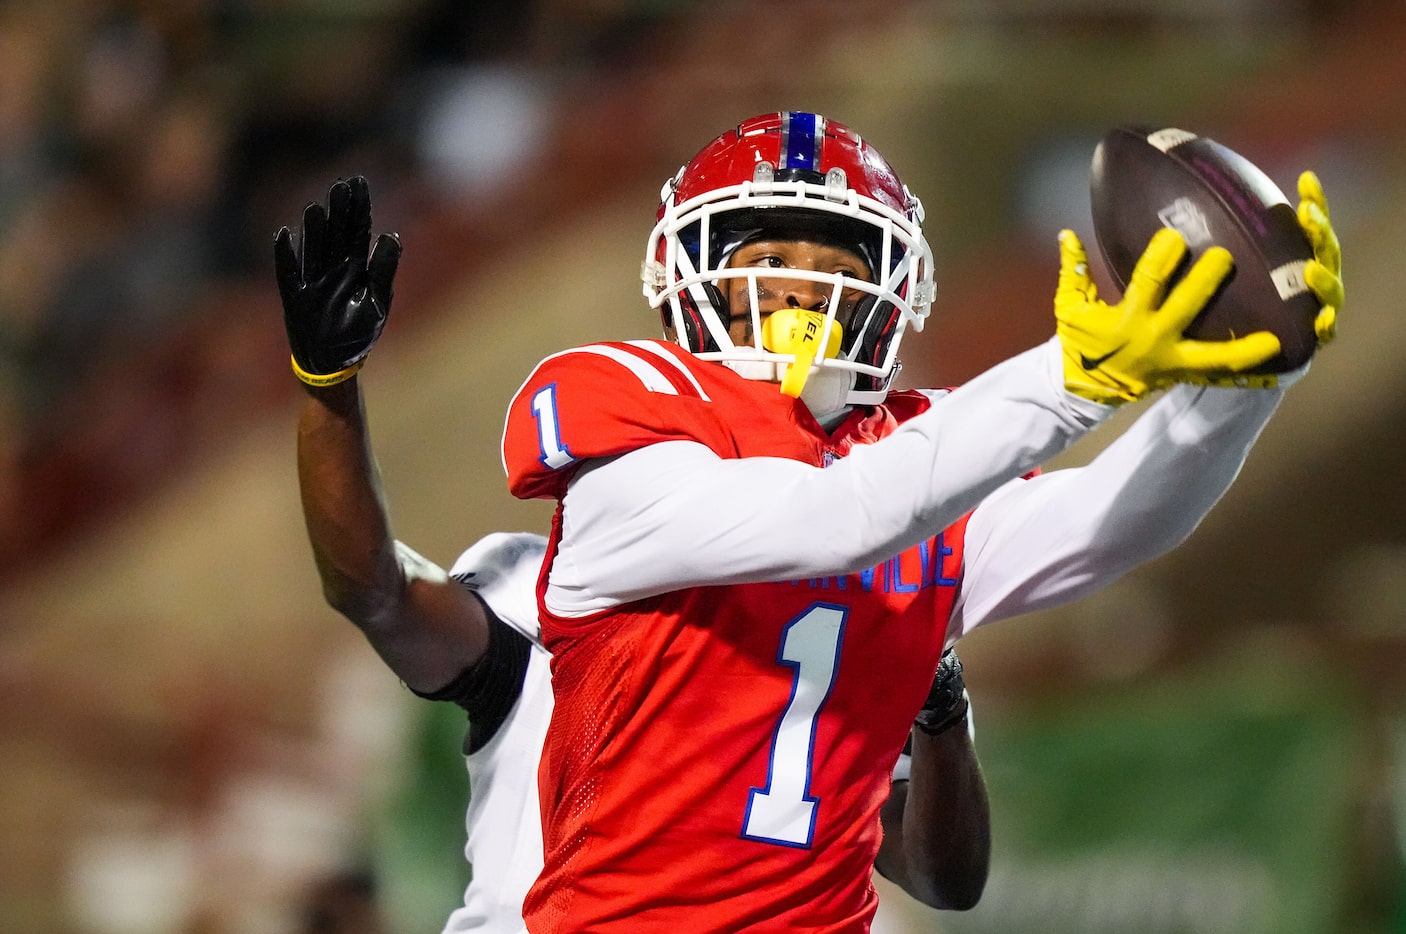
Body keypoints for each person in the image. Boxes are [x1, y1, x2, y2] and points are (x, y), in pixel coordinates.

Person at [487, 111, 1343, 932]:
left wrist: (1244, 382)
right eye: (770, 255)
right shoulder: (627, 407)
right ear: (687, 273)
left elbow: (1103, 523)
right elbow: (828, 520)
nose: (805, 284)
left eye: (841, 263)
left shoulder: (915, 450)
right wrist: (1064, 380)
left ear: (893, 292)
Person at [275, 176, 992, 933]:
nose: (801, 305)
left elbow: (945, 877)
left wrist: (938, 697)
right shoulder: (541, 590)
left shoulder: (866, 600)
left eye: (837, 279)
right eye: (773, 265)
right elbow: (373, 592)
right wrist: (329, 389)